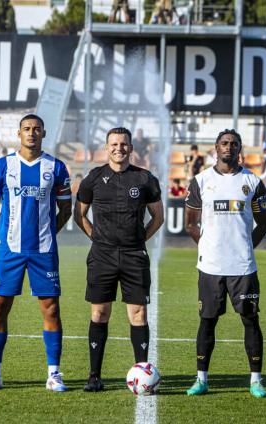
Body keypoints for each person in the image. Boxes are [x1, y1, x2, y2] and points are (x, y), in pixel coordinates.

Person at [0, 114, 72, 392]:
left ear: (44, 133)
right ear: (19, 133)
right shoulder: (3, 166)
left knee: (51, 309)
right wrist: (5, 233)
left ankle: (54, 373)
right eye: (27, 129)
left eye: (37, 129)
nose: (31, 133)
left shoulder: (56, 167)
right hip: (10, 251)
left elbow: (65, 208)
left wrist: (49, 232)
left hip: (43, 250)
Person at [74, 127, 164, 392]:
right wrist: (97, 239)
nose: (119, 148)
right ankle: (94, 376)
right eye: (114, 144)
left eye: (124, 144)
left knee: (138, 314)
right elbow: (80, 216)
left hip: (134, 255)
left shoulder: (145, 179)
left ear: (131, 148)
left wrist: (140, 241)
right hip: (102, 255)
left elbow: (158, 217)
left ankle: (143, 371)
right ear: (106, 147)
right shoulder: (93, 178)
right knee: (99, 313)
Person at [184, 129, 266, 398]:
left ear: (240, 148)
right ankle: (202, 379)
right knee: (207, 321)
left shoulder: (253, 182)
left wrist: (243, 247)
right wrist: (209, 246)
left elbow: (263, 223)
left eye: (234, 144)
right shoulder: (200, 181)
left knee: (250, 320)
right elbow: (190, 223)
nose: (228, 147)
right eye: (224, 143)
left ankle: (256, 381)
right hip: (210, 267)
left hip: (243, 267)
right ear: (216, 147)